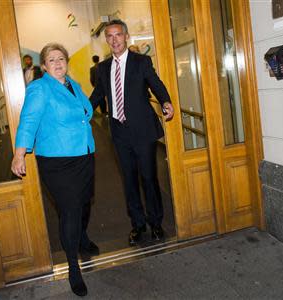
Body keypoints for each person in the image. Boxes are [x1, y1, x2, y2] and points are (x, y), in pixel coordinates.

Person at [12, 43, 98, 297]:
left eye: (62, 58)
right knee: (70, 210)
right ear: (44, 66)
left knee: (84, 204)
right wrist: (20, 153)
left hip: (84, 155)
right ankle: (73, 267)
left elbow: (86, 114)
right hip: (58, 162)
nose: (58, 63)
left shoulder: (74, 85)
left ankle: (82, 238)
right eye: (52, 59)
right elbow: (28, 120)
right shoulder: (39, 88)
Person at [90, 19, 174, 246]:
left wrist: (166, 101)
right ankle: (138, 224)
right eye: (110, 36)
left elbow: (155, 83)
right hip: (119, 132)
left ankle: (156, 223)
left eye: (118, 35)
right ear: (106, 40)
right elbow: (98, 94)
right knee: (129, 180)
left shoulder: (141, 62)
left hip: (143, 130)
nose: (114, 39)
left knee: (148, 177)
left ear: (126, 37)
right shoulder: (103, 68)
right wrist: (83, 113)